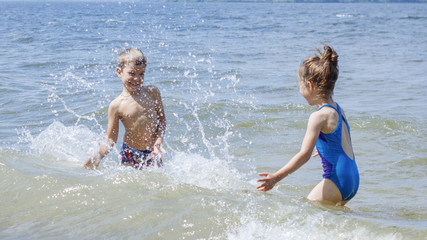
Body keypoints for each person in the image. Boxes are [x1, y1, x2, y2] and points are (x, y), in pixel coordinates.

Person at [257, 45, 359, 206]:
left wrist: (276, 177)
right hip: (352, 178)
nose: (300, 91)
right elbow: (341, 140)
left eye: (300, 85)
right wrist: (324, 148)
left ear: (310, 85)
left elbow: (304, 155)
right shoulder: (338, 109)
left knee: (305, 211)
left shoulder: (317, 117)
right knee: (331, 219)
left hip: (336, 179)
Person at [83, 48, 166, 170]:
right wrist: (98, 156)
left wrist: (158, 141)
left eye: (141, 74)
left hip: (153, 151)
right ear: (119, 72)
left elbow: (162, 120)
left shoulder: (152, 92)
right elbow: (111, 139)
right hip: (130, 153)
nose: (137, 79)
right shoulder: (116, 105)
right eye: (132, 73)